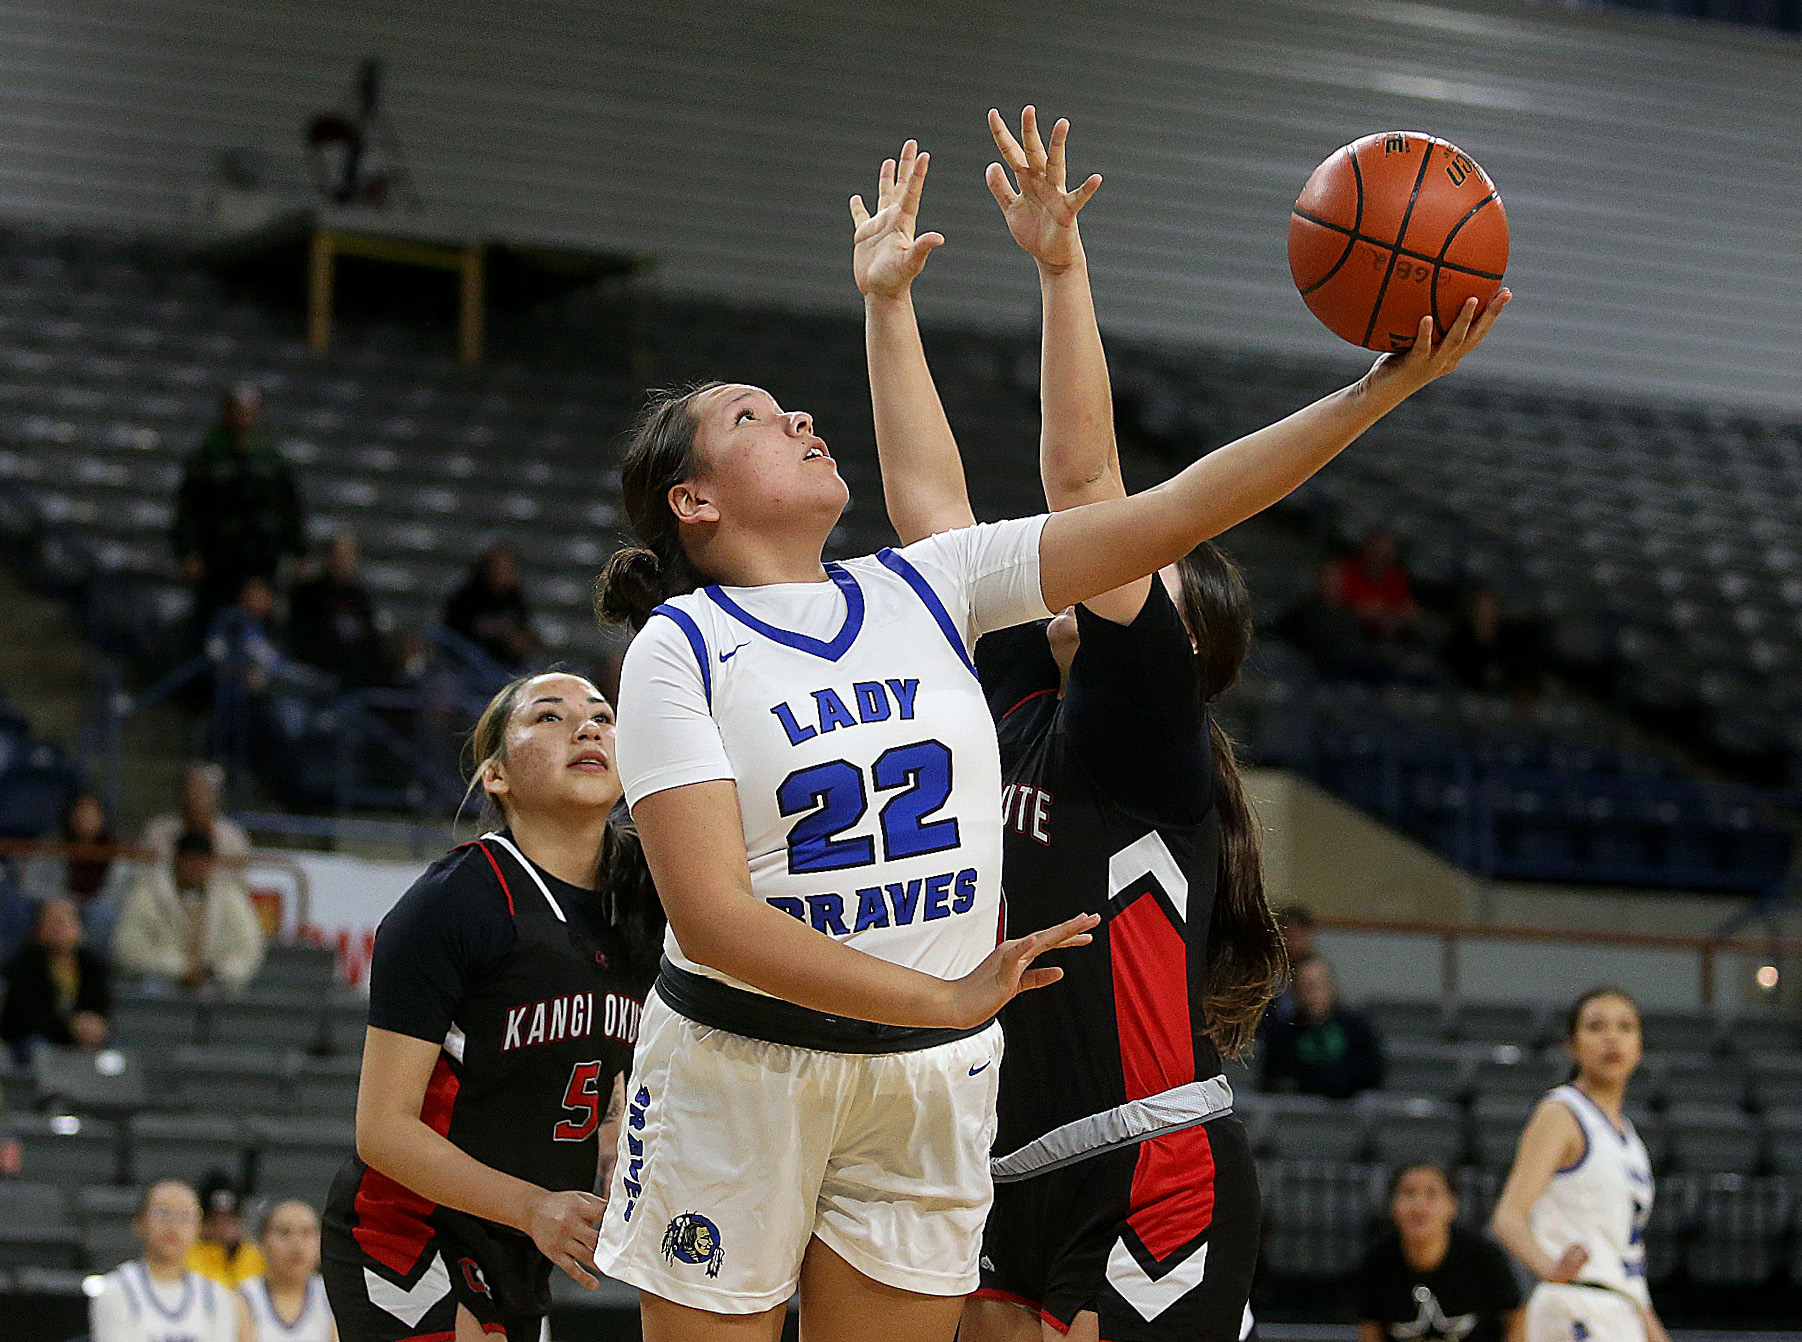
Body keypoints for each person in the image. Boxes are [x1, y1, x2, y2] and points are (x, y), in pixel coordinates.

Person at [585, 132, 1506, 1340]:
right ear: (692, 501)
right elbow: (942, 498)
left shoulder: (1009, 644)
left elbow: (1133, 503)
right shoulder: (723, 640)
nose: (796, 415)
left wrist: (1374, 393)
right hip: (788, 1060)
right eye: (757, 414)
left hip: (981, 1100)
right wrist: (886, 302)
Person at [870, 110, 1283, 1342]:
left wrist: (1062, 270)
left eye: (1132, 571)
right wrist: (888, 304)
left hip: (1146, 1168)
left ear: (1179, 635)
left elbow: (1087, 494)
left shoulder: (1149, 735)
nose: (1081, 571)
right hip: (999, 1170)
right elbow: (935, 525)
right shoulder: (1013, 708)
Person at [321, 671, 659, 1342]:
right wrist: (535, 1206)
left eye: (601, 716)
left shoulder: (646, 899)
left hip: (524, 1238)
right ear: (496, 776)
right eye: (550, 718)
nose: (588, 728)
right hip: (410, 1225)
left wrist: (618, 1129)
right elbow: (381, 1129)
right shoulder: (455, 901)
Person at [1491, 988, 1669, 1342]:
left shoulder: (1630, 1139)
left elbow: (1626, 1258)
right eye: (1596, 1026)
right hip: (1575, 1304)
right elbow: (1507, 1218)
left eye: (1625, 1027)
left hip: (1620, 1310)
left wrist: (1652, 1330)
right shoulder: (1561, 1113)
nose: (1611, 1037)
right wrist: (1551, 1269)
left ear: (1640, 1046)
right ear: (1572, 1045)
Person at [173, 385, 307, 642]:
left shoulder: (271, 460)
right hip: (217, 563)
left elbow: (290, 509)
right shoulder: (206, 458)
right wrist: (187, 552)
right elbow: (187, 510)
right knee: (212, 633)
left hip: (262, 564)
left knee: (261, 636)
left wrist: (298, 551)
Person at [1357, 1164, 1524, 1342]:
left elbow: (1517, 1317)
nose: (1419, 1206)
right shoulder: (1377, 1261)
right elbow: (1370, 1328)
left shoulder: (1483, 1255)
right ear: (1392, 1205)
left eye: (1432, 1194)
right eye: (1408, 1193)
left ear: (1452, 1205)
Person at [88, 1179, 251, 1342]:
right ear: (139, 1223)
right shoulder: (117, 1290)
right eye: (162, 1213)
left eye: (186, 1215)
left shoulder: (217, 1297)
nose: (173, 1225)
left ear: (199, 1228)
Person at [113, 830, 266, 990]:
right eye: (189, 860)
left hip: (216, 986)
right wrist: (180, 969)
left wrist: (214, 971)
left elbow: (248, 950)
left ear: (211, 862)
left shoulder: (230, 897)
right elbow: (128, 948)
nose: (195, 867)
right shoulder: (147, 893)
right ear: (177, 860)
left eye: (202, 861)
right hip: (161, 983)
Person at [0, 897, 111, 1063]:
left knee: (113, 1054)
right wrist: (71, 1027)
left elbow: (101, 1007)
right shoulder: (23, 964)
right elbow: (22, 1018)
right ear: (38, 927)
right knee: (37, 1048)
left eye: (64, 923)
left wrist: (94, 1025)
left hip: (81, 1038)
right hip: (36, 1037)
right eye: (51, 922)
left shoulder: (92, 964)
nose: (58, 929)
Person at [22, 789, 133, 951]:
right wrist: (64, 904)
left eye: (91, 813)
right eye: (81, 811)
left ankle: (95, 965)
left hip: (98, 912)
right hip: (58, 909)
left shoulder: (116, 851)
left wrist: (92, 905)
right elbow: (30, 884)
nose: (85, 817)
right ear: (70, 815)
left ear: (102, 817)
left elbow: (125, 891)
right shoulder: (50, 847)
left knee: (102, 914)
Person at [1259, 957, 1384, 1099]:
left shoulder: (1357, 1029)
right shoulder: (1282, 1034)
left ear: (1332, 988)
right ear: (1296, 992)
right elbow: (1274, 1081)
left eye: (1318, 986)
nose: (1312, 995)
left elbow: (1372, 1075)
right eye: (1306, 987)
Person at [289, 532, 389, 689]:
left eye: (350, 555)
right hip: (316, 675)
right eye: (340, 555)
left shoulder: (360, 596)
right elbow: (299, 635)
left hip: (354, 677)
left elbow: (370, 639)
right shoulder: (309, 593)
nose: (345, 562)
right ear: (329, 558)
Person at [243, 1201, 337, 1342]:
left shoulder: (332, 1297)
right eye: (284, 1232)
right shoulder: (244, 1297)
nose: (296, 1244)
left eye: (306, 1233)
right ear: (262, 1243)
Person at [443, 544, 540, 671]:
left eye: (508, 570)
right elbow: (455, 636)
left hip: (507, 666)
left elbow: (523, 631)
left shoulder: (515, 598)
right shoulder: (467, 597)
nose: (504, 575)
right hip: (470, 665)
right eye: (498, 569)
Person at [143, 763, 253, 866]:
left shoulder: (233, 837)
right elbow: (147, 876)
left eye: (204, 794)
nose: (197, 801)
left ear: (216, 800)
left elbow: (239, 882)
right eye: (193, 793)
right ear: (180, 798)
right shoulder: (158, 832)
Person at [1321, 532, 1417, 640]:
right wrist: (1359, 610)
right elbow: (1330, 606)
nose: (1380, 559)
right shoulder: (1339, 570)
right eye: (1377, 553)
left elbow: (1406, 610)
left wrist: (1384, 614)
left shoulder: (1395, 577)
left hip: (1379, 635)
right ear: (1367, 550)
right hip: (1342, 629)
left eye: (1386, 557)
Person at [190, 1172, 267, 1288]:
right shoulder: (186, 1257)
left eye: (230, 1220)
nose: (223, 1230)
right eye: (214, 1222)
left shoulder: (258, 1258)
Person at [1265, 903, 1318, 1025]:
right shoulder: (1271, 973)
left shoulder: (1317, 972)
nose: (1294, 943)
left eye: (1300, 936)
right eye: (1290, 936)